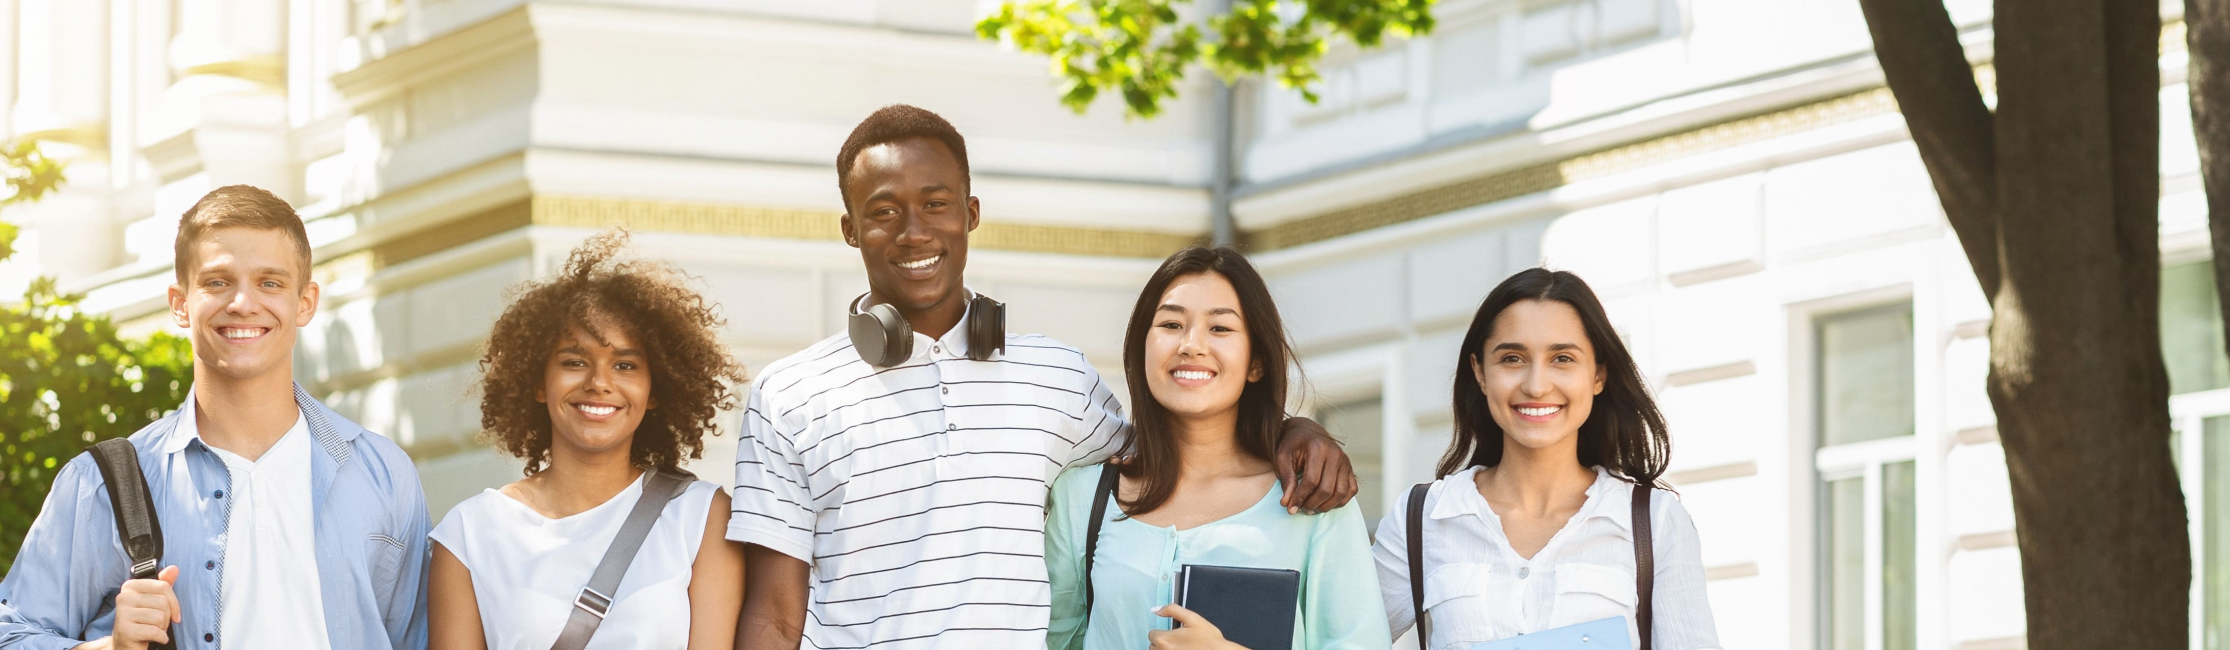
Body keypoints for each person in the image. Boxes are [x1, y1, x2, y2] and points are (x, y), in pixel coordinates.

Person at [727, 104, 1361, 650]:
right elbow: (774, 617)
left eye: (936, 204)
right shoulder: (789, 395)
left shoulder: (1055, 376)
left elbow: (1183, 445)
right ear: (850, 229)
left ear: (970, 212)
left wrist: (1289, 430)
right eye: (884, 211)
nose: (914, 231)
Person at [0, 185, 431, 650]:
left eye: (270, 283)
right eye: (217, 282)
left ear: (305, 302)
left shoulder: (383, 474)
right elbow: (4, 638)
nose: (242, 303)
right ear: (180, 303)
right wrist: (108, 648)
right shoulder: (101, 484)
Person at [1045, 246, 1390, 650]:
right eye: (1171, 324)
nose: (1191, 345)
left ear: (1256, 362)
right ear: (1143, 347)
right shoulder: (1083, 495)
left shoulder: (1313, 496)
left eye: (1220, 329)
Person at [426, 230, 748, 650]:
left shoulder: (701, 517)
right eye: (574, 361)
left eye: (626, 365)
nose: (599, 383)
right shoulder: (470, 533)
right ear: (539, 382)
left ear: (654, 392)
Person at [1372, 268, 1719, 650]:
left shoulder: (1654, 521)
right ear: (1480, 373)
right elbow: (1334, 639)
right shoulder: (1421, 519)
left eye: (1563, 358)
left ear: (1598, 374)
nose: (1536, 385)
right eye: (1512, 358)